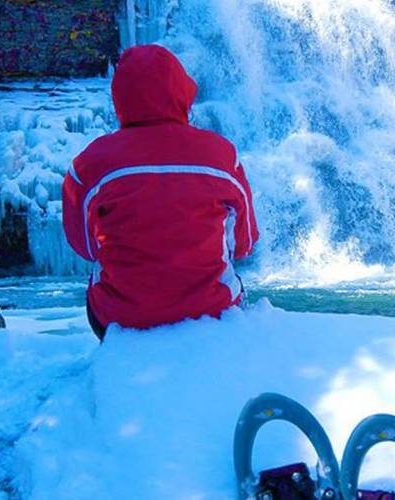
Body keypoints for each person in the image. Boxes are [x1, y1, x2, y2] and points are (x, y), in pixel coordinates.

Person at [62, 45, 259, 340]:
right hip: (212, 308)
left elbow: (86, 247)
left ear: (120, 97)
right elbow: (245, 243)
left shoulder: (90, 163)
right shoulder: (222, 155)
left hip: (120, 315)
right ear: (182, 91)